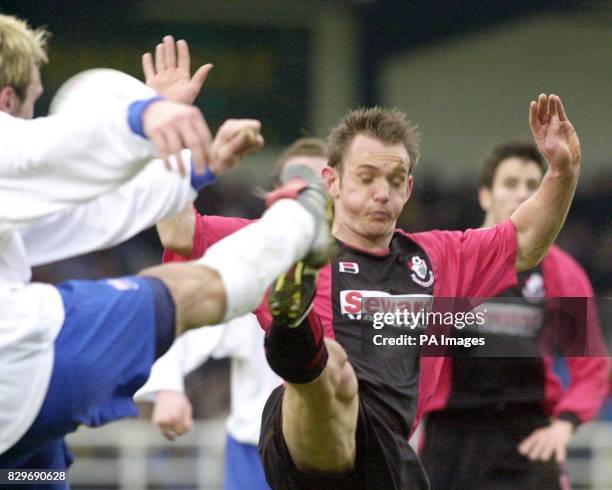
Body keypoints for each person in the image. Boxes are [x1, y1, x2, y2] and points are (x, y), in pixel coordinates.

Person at [173, 93, 582, 488]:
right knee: (333, 369)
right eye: (366, 178)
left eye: (395, 180)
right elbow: (178, 230)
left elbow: (526, 239)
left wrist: (563, 172)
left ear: (409, 188)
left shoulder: (439, 258)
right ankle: (296, 328)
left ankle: (296, 331)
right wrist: (171, 128)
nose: (382, 193)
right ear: (331, 181)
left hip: (385, 457)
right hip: (301, 443)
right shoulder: (274, 241)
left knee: (337, 377)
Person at [0, 15, 331, 486]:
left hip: (16, 413)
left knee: (33, 476)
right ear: (7, 99)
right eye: (33, 102)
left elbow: (87, 216)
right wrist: (143, 115)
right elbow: (48, 150)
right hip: (20, 361)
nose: (34, 118)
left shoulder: (419, 261)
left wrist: (193, 167)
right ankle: (301, 219)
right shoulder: (15, 145)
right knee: (192, 291)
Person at [136, 136, 328, 490]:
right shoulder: (253, 260)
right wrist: (167, 389)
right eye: (297, 186)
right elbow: (183, 314)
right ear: (276, 199)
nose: (309, 198)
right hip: (256, 447)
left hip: (339, 450)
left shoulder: (375, 268)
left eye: (318, 185)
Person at [419, 141, 610, 489]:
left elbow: (591, 366)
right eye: (510, 184)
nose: (522, 194)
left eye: (532, 186)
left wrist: (565, 423)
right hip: (451, 443)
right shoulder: (447, 263)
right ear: (484, 196)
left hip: (529, 443)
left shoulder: (560, 272)